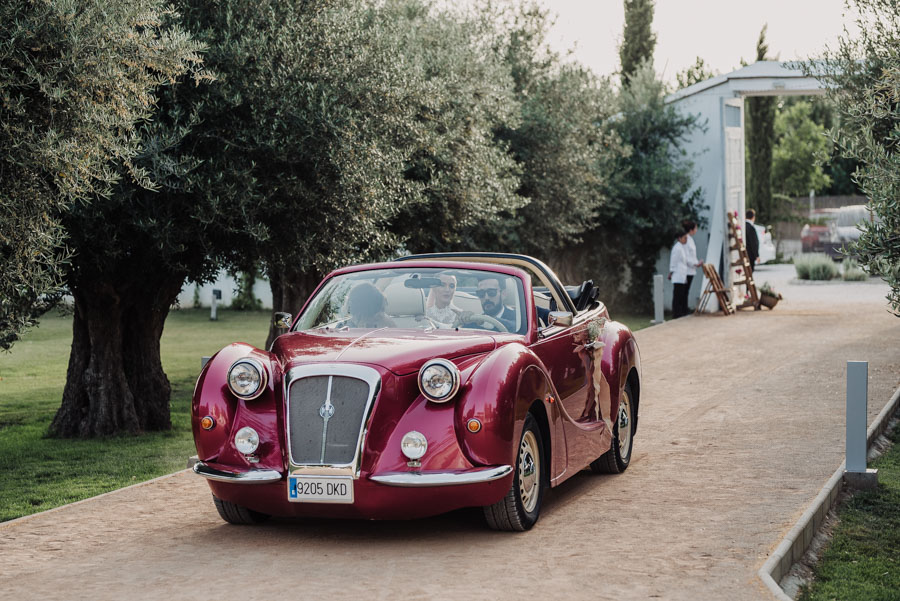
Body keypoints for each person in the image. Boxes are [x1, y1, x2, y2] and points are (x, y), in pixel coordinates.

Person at [668, 230, 690, 318]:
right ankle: (676, 313)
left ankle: (680, 312)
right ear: (679, 238)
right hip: (677, 275)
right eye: (685, 238)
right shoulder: (677, 248)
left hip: (682, 275)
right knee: (677, 295)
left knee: (681, 295)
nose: (686, 240)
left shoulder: (681, 247)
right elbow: (674, 261)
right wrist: (671, 272)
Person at [682, 219, 704, 306]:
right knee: (684, 290)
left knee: (686, 290)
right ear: (691, 230)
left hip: (691, 269)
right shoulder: (686, 239)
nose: (696, 230)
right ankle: (683, 309)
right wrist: (695, 263)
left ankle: (684, 308)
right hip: (687, 269)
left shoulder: (690, 239)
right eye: (695, 228)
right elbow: (687, 256)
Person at [745, 209, 760, 274]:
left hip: (745, 253)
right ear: (753, 217)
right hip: (750, 254)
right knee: (750, 271)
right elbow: (754, 243)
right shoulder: (751, 227)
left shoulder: (743, 225)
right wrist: (756, 255)